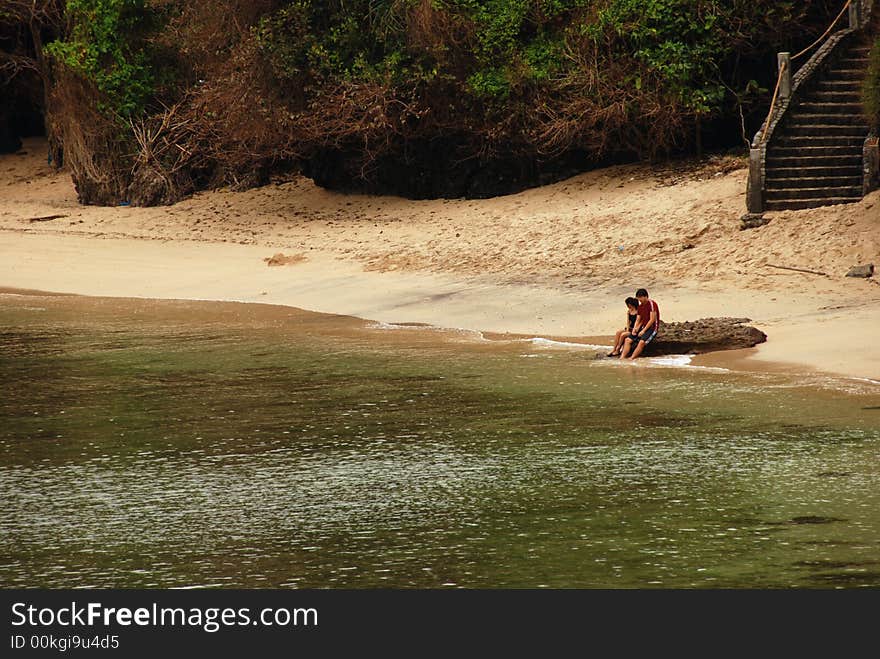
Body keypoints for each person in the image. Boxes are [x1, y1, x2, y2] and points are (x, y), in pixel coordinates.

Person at [619, 288, 660, 360]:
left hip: (652, 328)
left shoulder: (652, 304)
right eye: (638, 298)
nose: (639, 300)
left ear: (645, 296)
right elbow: (638, 319)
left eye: (640, 298)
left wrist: (643, 330)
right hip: (642, 326)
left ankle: (632, 358)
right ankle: (622, 357)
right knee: (627, 340)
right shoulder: (640, 307)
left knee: (641, 342)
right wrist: (635, 328)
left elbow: (652, 319)